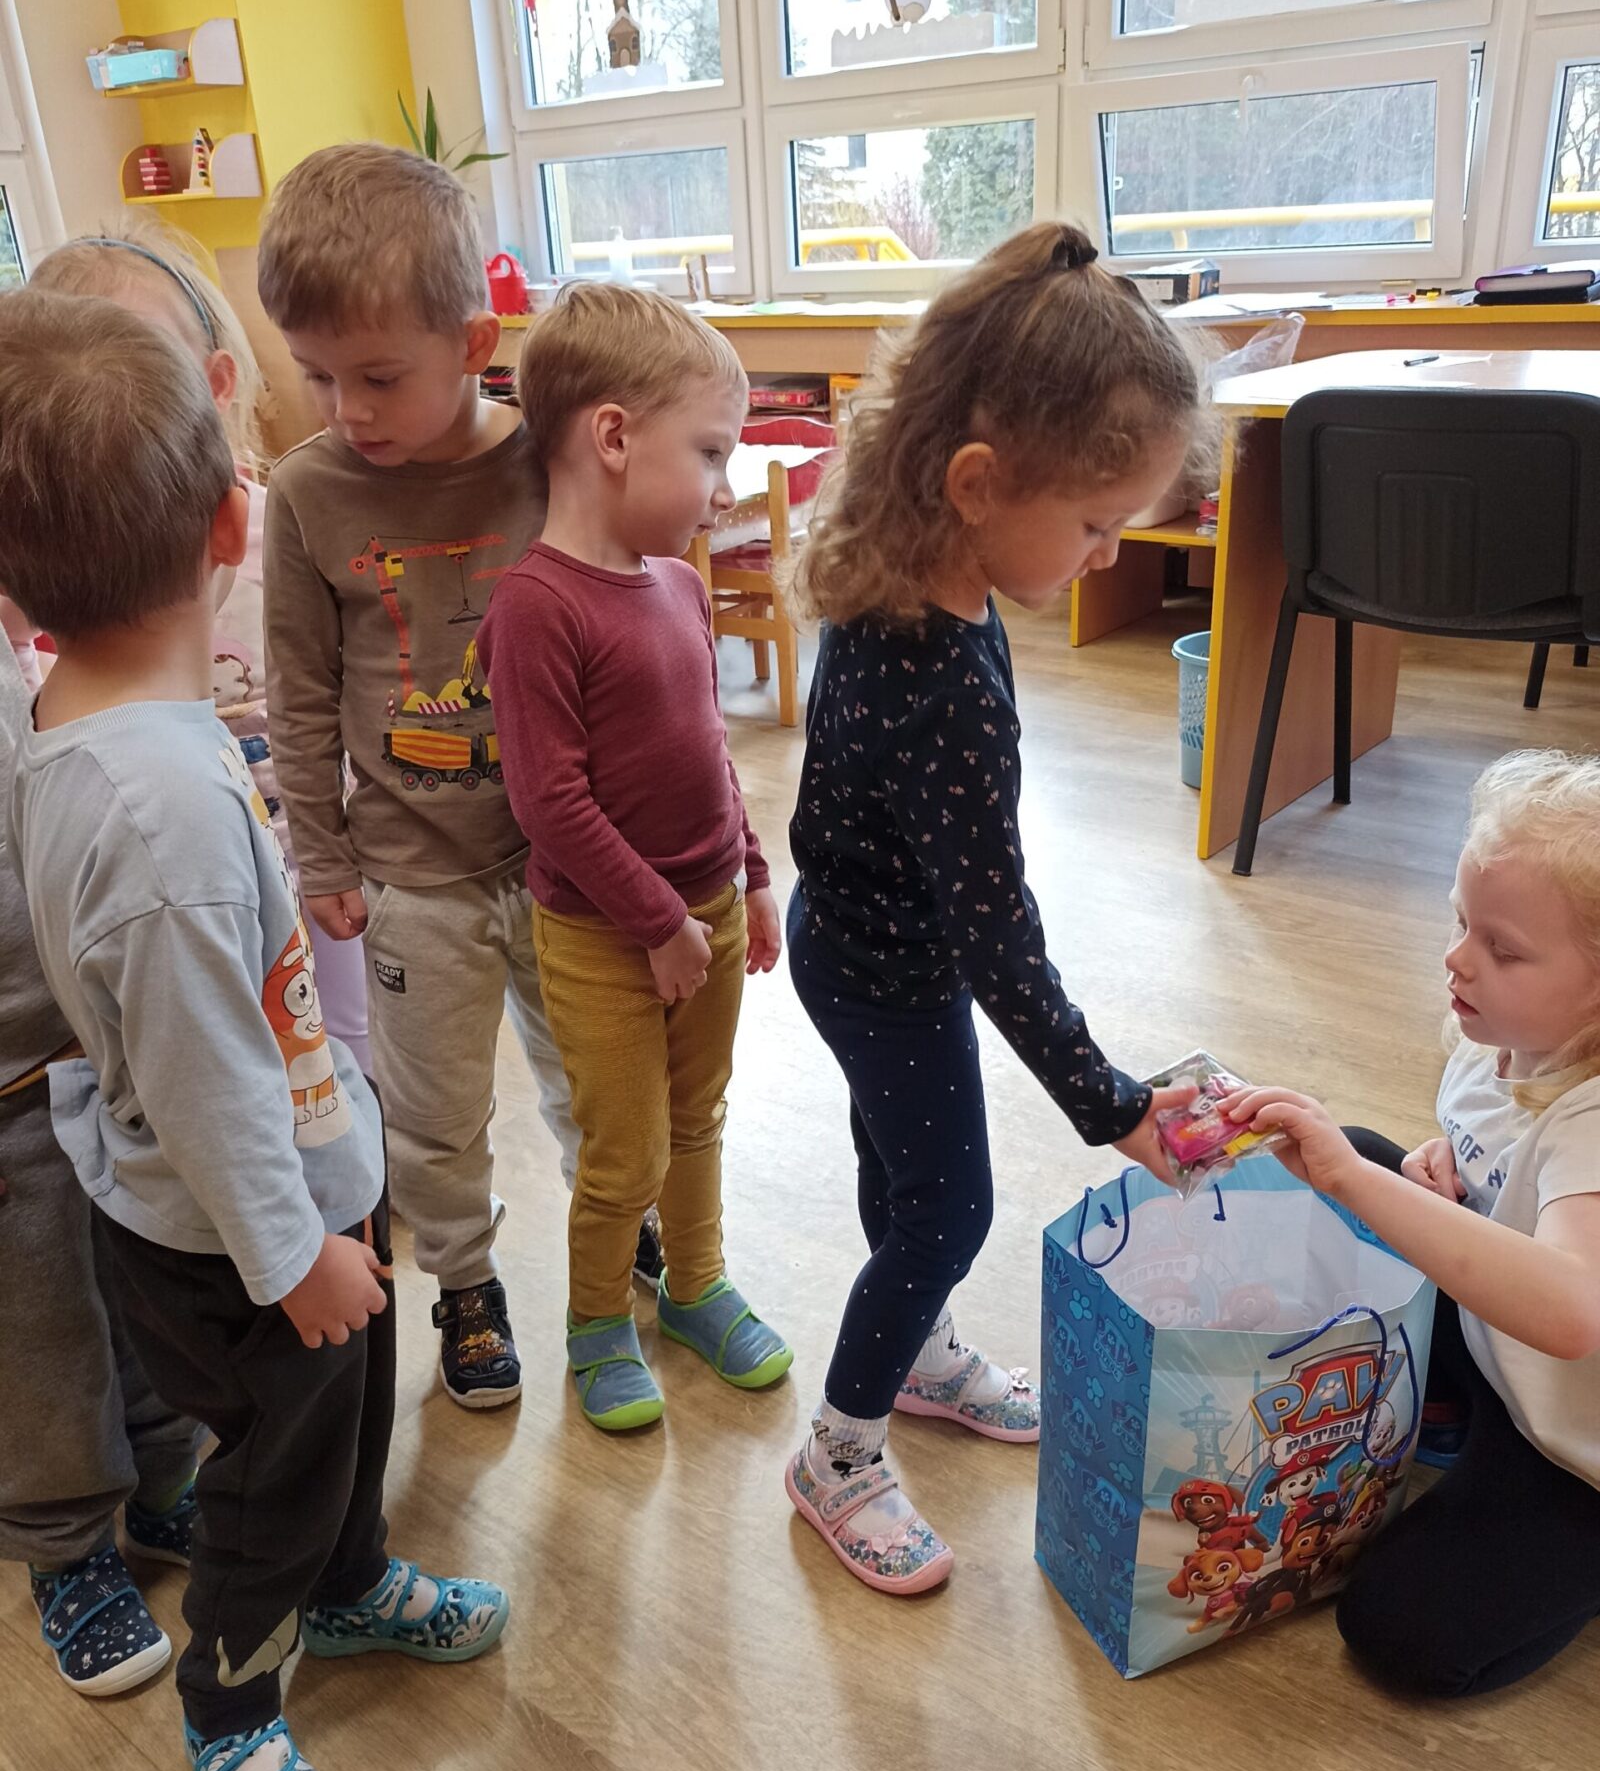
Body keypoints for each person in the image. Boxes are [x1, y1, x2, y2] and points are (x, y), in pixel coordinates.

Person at [0, 289, 508, 1771]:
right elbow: (206, 1075)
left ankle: (347, 1583)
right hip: (245, 1237)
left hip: (284, 1193)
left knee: (343, 1432)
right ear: (235, 517)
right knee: (274, 1477)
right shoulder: (157, 813)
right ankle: (231, 1699)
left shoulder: (75, 720)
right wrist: (294, 1256)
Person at [784, 221, 1207, 1594]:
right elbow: (997, 940)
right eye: (1092, 524)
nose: (1105, 553)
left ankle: (917, 1357)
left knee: (904, 1178)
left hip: (845, 939)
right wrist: (1111, 1100)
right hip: (888, 970)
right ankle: (837, 1453)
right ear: (975, 483)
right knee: (947, 1209)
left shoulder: (910, 575)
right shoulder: (939, 679)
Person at [258, 143, 661, 1410]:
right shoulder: (304, 494)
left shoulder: (547, 463)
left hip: (562, 863)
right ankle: (468, 1285)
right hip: (409, 878)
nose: (346, 408)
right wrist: (322, 856)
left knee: (593, 1077)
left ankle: (619, 1223)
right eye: (316, 373)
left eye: (379, 376)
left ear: (475, 344)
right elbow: (300, 692)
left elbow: (625, 634)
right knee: (434, 1114)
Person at [477, 283, 791, 1430]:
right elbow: (548, 802)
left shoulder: (680, 585)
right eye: (709, 453)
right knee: (625, 1150)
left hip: (704, 913)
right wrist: (658, 922)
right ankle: (598, 1323)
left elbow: (709, 750)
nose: (723, 487)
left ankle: (696, 1286)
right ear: (613, 436)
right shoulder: (535, 608)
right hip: (607, 937)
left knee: (699, 1119)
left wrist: (751, 876)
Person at [1221, 748, 1600, 1697]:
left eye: (1503, 949)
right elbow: (1498, 1162)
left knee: (1396, 1630)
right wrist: (1441, 1169)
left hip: (1575, 1445)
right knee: (1356, 1160)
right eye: (1461, 921)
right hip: (1507, 1357)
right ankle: (1445, 1407)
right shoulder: (1496, 1040)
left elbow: (1572, 1311)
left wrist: (1358, 1180)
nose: (1458, 958)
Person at [25, 219, 371, 1074]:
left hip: (316, 863)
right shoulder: (50, 578)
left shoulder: (284, 527)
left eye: (147, 378)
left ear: (216, 385)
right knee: (227, 1064)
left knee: (351, 1061)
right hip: (182, 889)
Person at [0, 637, 202, 1695]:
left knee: (141, 1274)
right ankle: (65, 1542)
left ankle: (165, 1483)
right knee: (37, 1334)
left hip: (81, 1023)